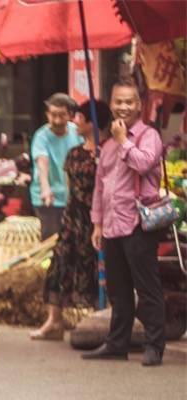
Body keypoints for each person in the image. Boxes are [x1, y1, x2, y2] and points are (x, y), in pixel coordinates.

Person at [84, 79, 166, 367]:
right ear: (111, 103)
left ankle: (155, 345)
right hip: (111, 225)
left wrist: (123, 141)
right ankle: (117, 343)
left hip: (139, 223)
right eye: (118, 101)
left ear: (140, 106)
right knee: (118, 290)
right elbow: (100, 186)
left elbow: (143, 164)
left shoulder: (149, 136)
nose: (123, 107)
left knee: (147, 287)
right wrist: (97, 224)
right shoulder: (106, 145)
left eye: (129, 102)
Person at [31, 100, 111, 340]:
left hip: (97, 217)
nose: (74, 121)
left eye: (78, 117)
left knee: (96, 268)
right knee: (60, 265)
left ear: (91, 122)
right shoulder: (75, 152)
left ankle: (103, 319)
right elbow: (69, 186)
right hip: (72, 217)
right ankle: (54, 321)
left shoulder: (108, 151)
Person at [30, 93, 81, 240]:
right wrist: (45, 188)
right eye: (53, 115)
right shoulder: (41, 136)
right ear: (47, 114)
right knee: (51, 242)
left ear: (70, 115)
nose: (57, 120)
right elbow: (42, 162)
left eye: (61, 115)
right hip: (47, 199)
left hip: (72, 197)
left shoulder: (76, 132)